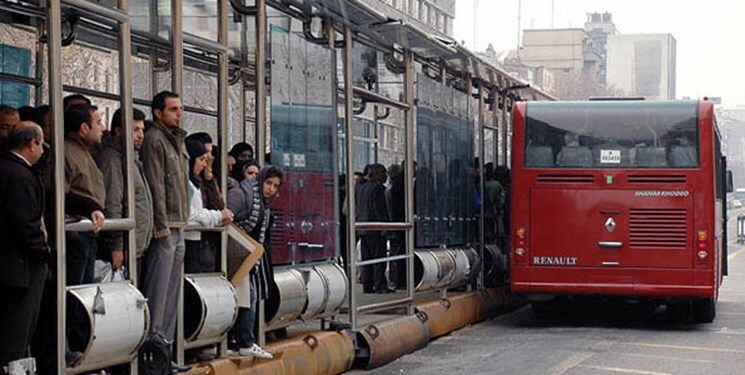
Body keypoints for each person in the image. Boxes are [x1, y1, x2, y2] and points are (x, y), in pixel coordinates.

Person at [140, 91, 191, 373]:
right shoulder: (155, 140)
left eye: (180, 109)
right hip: (166, 225)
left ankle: (165, 349)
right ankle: (152, 350)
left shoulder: (176, 140)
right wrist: (160, 225)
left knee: (172, 292)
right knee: (158, 291)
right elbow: (156, 185)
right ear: (158, 113)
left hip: (179, 222)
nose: (178, 113)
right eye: (172, 109)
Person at [0, 122, 49, 367]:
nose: (43, 149)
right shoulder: (21, 176)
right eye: (41, 144)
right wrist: (43, 252)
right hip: (20, 265)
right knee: (18, 330)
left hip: (8, 262)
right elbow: (27, 222)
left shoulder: (6, 168)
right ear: (32, 144)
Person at [227, 165, 283, 358]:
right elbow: (226, 219)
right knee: (246, 295)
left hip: (247, 256)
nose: (271, 189)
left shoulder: (264, 203)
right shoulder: (243, 194)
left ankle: (243, 341)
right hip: (234, 254)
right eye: (269, 183)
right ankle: (245, 342)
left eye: (275, 186)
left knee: (248, 295)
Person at [95, 108, 154, 270]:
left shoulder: (130, 158)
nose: (141, 135)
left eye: (142, 129)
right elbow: (113, 204)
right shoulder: (112, 160)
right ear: (118, 131)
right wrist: (117, 247)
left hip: (136, 246)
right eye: (135, 129)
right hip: (124, 249)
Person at [64, 103, 106, 286]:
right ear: (84, 128)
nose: (103, 128)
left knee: (85, 294)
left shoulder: (84, 152)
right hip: (75, 236)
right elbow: (59, 196)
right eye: (98, 122)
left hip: (89, 234)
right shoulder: (66, 153)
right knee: (75, 294)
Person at [184, 139, 233, 273]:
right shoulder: (186, 183)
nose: (205, 164)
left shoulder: (197, 181)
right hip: (187, 240)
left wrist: (209, 178)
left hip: (197, 240)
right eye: (201, 159)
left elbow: (219, 204)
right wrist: (218, 216)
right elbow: (189, 213)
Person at [356, 163, 391, 294]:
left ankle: (367, 285)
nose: (385, 176)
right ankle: (380, 285)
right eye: (383, 173)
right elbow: (379, 209)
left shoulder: (361, 188)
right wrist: (384, 226)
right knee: (379, 259)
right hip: (375, 229)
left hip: (363, 228)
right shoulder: (378, 189)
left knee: (367, 259)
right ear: (376, 174)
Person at [385, 163, 405, 290]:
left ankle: (394, 279)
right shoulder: (398, 187)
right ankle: (398, 280)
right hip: (396, 225)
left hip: (392, 226)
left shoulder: (389, 187)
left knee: (394, 253)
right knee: (398, 253)